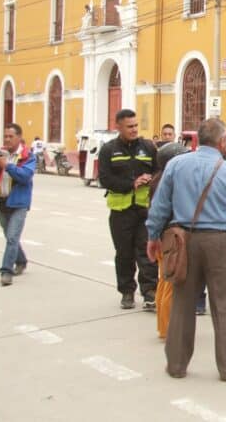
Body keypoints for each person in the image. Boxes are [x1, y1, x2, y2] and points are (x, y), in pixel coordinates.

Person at [145, 118, 226, 381]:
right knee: (225, 305)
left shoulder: (176, 165)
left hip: (184, 240)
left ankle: (176, 365)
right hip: (221, 243)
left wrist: (153, 235)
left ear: (197, 140)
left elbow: (160, 205)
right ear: (222, 142)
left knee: (182, 303)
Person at [99, 109, 159, 310]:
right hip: (121, 211)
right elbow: (105, 179)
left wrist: (151, 179)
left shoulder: (148, 147)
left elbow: (159, 171)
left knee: (147, 251)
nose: (134, 130)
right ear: (118, 127)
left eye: (135, 126)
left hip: (144, 210)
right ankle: (127, 292)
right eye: (129, 126)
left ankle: (150, 292)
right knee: (124, 254)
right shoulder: (108, 150)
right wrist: (131, 184)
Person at [0, 123, 36, 286]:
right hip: (1, 201)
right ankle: (21, 260)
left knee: (12, 237)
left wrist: (6, 165)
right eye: (5, 136)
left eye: (11, 136)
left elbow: (25, 176)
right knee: (9, 237)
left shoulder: (27, 156)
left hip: (19, 203)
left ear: (19, 138)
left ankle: (6, 271)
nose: (7, 139)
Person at [150, 142, 191, 339]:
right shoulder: (166, 183)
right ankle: (168, 329)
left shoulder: (160, 180)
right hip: (170, 238)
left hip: (163, 238)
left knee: (164, 281)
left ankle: (164, 326)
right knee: (171, 285)